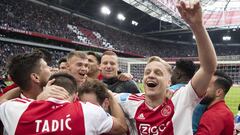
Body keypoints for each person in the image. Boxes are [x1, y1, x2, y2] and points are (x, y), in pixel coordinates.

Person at [114, 1, 217, 134]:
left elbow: (208, 68)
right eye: (147, 72)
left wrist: (197, 26)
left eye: (158, 73)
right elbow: (107, 95)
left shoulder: (182, 98)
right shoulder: (131, 101)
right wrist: (118, 76)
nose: (151, 75)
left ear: (169, 81)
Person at [0, 72, 127, 135]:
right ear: (76, 95)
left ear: (48, 87)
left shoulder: (18, 109)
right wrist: (109, 95)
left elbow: (2, 102)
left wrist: (39, 99)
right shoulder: (89, 112)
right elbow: (121, 127)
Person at [194, 71, 234, 135]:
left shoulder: (213, 114)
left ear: (218, 92)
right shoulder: (223, 110)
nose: (201, 89)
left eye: (206, 86)